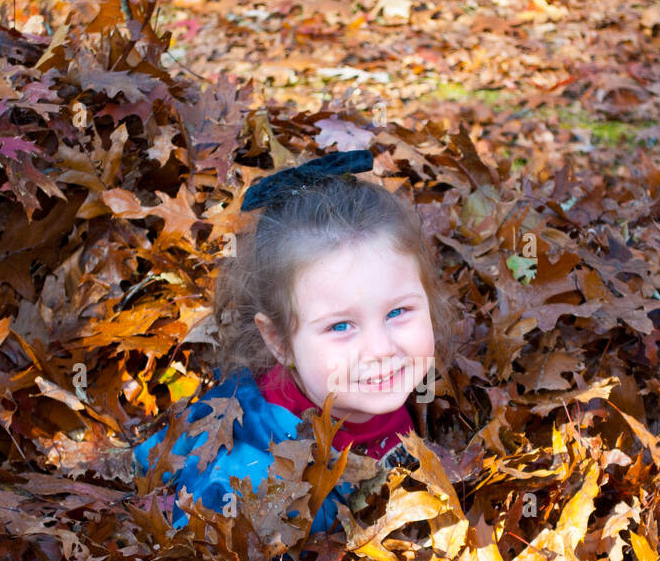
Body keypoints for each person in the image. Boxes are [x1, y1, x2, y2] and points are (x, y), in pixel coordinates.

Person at [133, 148, 457, 540]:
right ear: (279, 341)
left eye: (397, 312)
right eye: (341, 326)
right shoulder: (256, 471)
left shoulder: (397, 391)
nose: (381, 348)